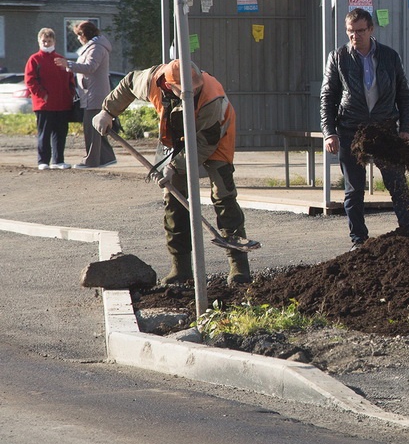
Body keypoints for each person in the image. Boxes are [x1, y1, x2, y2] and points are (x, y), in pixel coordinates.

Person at [92, 59, 252, 287]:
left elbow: (205, 143)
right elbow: (128, 83)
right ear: (169, 85)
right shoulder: (152, 80)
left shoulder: (211, 98)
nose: (194, 91)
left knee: (223, 194)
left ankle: (239, 268)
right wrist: (107, 112)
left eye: (196, 88)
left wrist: (174, 166)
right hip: (175, 136)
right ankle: (181, 268)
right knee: (173, 197)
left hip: (214, 134)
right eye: (187, 90)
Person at [320, 8, 409, 250]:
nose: (355, 36)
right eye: (350, 32)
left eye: (360, 31)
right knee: (354, 189)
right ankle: (358, 241)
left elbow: (403, 95)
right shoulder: (338, 58)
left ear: (371, 30)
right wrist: (329, 132)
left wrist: (406, 127)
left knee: (396, 182)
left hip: (385, 128)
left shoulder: (389, 57)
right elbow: (327, 97)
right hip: (351, 129)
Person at [55, 21, 116, 168]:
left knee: (91, 128)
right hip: (90, 94)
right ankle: (106, 158)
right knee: (95, 127)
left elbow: (90, 67)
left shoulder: (97, 47)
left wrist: (68, 64)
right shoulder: (93, 46)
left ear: (85, 34)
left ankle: (92, 160)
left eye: (79, 35)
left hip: (95, 94)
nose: (78, 38)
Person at [24, 27, 75, 171]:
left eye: (49, 41)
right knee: (44, 134)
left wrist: (69, 94)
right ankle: (43, 160)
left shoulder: (61, 59)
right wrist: (42, 95)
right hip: (44, 105)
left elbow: (71, 80)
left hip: (63, 104)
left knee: (60, 133)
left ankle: (58, 160)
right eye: (44, 41)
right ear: (39, 41)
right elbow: (30, 81)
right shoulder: (34, 59)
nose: (46, 43)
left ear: (54, 41)